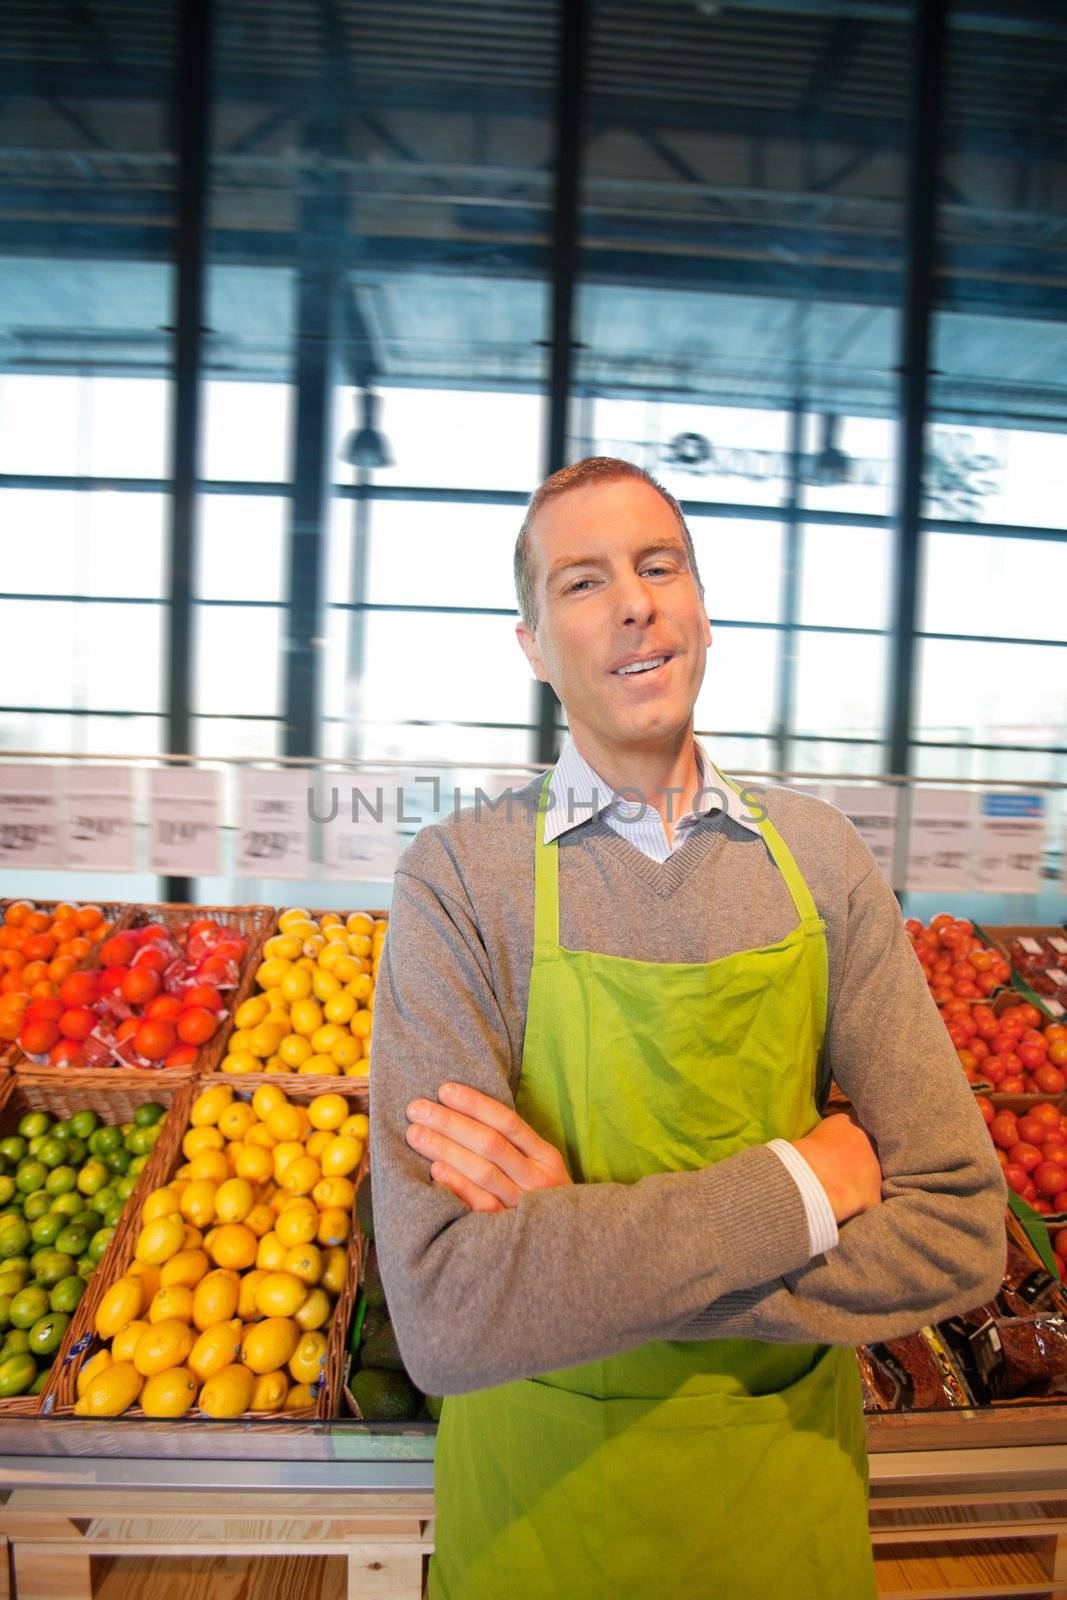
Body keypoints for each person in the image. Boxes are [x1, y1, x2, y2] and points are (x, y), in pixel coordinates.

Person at [370, 456, 1006, 1600]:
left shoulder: (820, 862)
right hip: (539, 1513)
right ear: (530, 642)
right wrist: (802, 1189)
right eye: (580, 581)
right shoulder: (459, 882)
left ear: (701, 609)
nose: (632, 602)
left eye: (658, 565)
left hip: (779, 1505)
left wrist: (571, 1255)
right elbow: (451, 1315)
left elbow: (960, 1224)